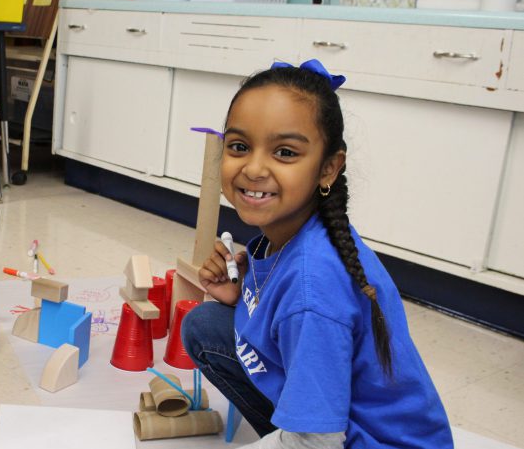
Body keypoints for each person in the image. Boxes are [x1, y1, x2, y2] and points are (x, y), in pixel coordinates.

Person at [181, 60, 453, 448]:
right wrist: (244, 298)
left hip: (355, 440)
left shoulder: (314, 285)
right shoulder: (295, 234)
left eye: (285, 153)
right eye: (239, 146)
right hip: (340, 420)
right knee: (207, 326)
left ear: (328, 169)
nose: (254, 168)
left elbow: (318, 441)